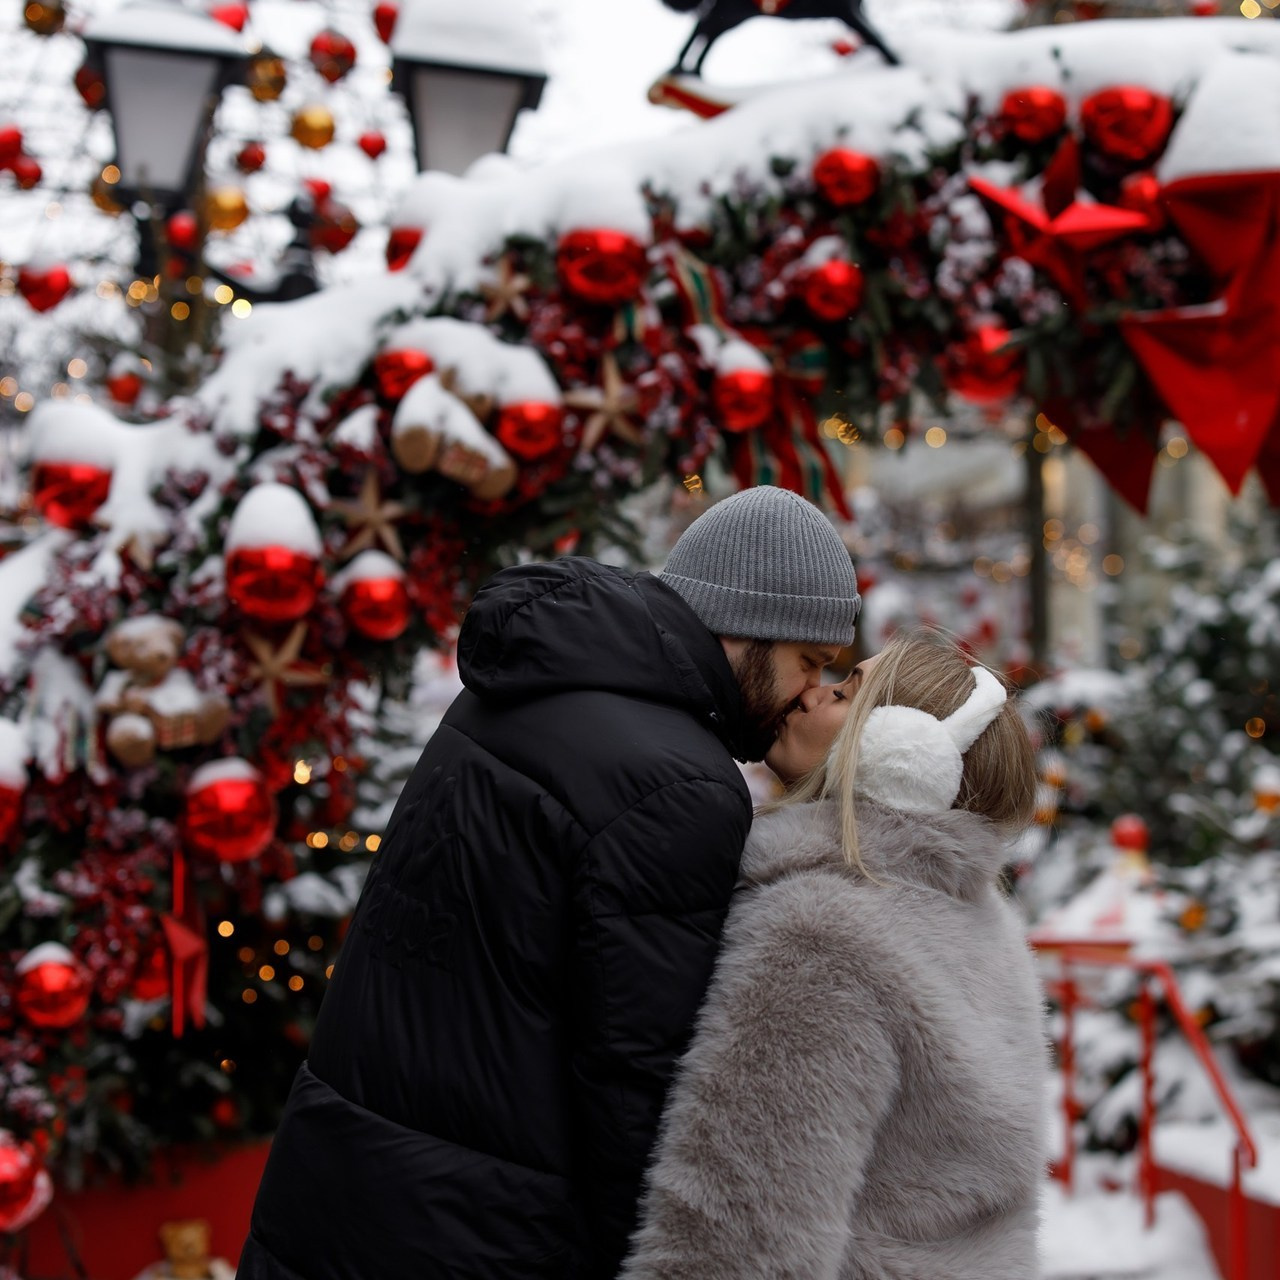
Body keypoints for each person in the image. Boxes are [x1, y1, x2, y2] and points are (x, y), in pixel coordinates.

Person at [236, 485, 862, 1280]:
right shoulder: (678, 784)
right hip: (482, 1238)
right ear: (746, 626)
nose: (810, 693)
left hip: (343, 1194)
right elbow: (639, 1095)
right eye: (808, 662)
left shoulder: (527, 690)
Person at [620, 628, 1048, 1280]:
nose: (810, 696)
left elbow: (739, 1239)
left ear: (902, 754)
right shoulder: (987, 929)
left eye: (846, 693)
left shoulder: (824, 936)